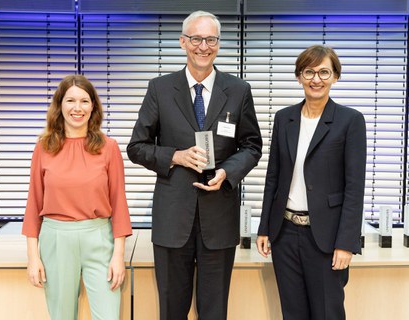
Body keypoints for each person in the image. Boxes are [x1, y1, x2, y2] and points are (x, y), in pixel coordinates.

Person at [127, 10, 262, 320]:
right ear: (183, 42)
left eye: (211, 39)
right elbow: (137, 147)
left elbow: (252, 145)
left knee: (214, 312)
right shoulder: (160, 89)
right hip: (173, 219)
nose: (204, 46)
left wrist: (228, 172)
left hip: (220, 217)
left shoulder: (238, 90)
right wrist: (175, 156)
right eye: (196, 39)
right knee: (172, 310)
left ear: (218, 43)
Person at [256, 45, 366, 320]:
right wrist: (265, 228)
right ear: (299, 77)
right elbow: (274, 176)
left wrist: (346, 243)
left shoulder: (350, 120)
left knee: (327, 313)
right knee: (293, 313)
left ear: (335, 77)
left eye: (324, 72)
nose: (316, 79)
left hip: (326, 238)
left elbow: (355, 188)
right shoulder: (285, 118)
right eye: (309, 72)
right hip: (285, 234)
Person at [22, 74, 132, 320]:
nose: (77, 108)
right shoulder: (43, 148)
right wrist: (33, 257)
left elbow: (118, 203)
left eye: (84, 101)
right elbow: (34, 203)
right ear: (59, 105)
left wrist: (118, 256)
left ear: (93, 106)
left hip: (100, 239)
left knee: (108, 315)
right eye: (70, 101)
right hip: (56, 240)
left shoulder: (109, 147)